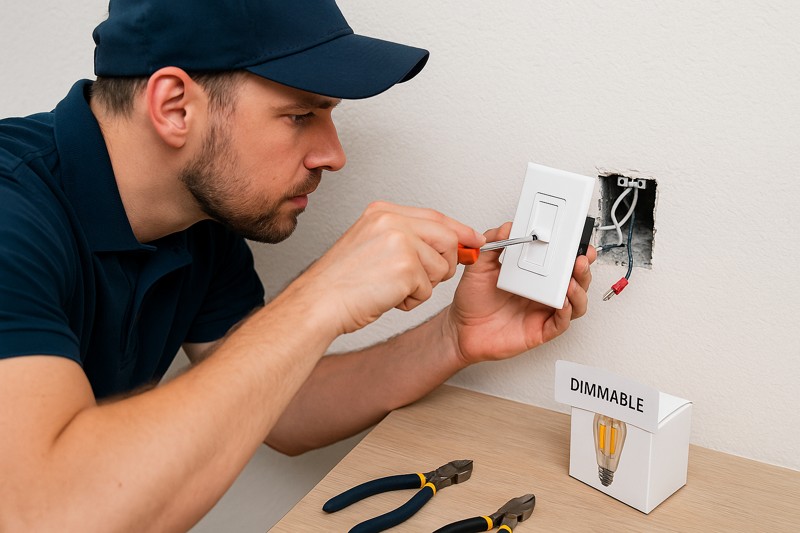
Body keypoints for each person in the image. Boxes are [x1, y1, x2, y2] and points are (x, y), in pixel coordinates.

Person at [0, 1, 595, 531]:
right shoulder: (12, 218)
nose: (332, 155)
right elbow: (43, 513)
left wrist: (453, 338)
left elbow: (279, 406)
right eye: (299, 115)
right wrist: (320, 298)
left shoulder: (196, 220)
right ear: (175, 106)